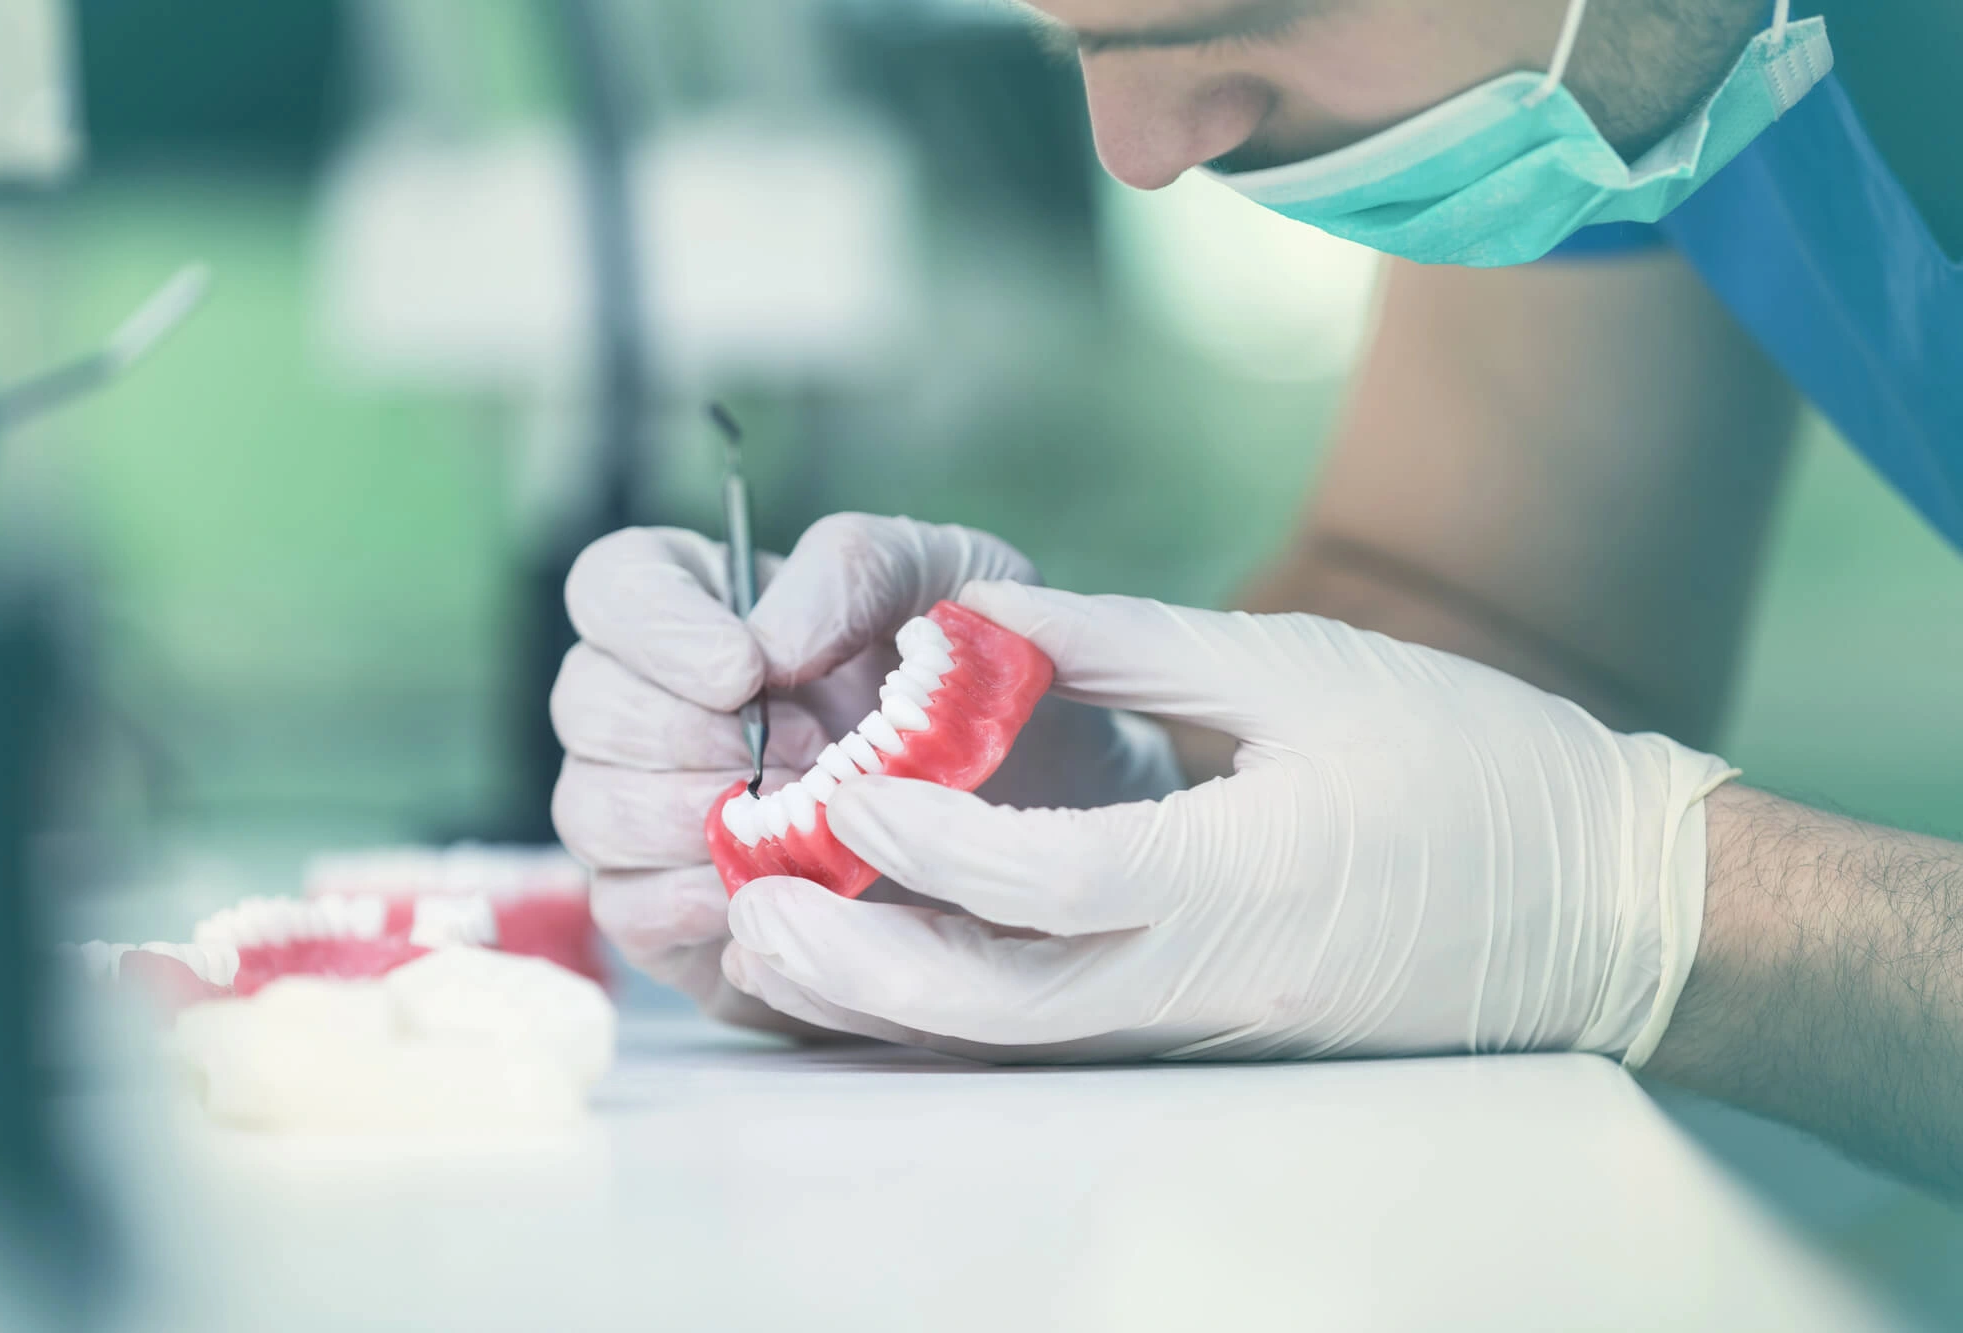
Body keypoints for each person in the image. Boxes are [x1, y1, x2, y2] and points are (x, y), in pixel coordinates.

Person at [550, 0, 1963, 1197]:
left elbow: (1584, 861)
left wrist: (1674, 913)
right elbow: (1504, 614)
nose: (1139, 152)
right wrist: (1101, 816)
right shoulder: (1621, 69)